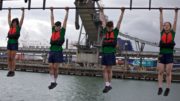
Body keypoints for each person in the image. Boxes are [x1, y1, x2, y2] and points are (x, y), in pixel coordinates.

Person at [99, 7, 125, 93]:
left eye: (110, 28)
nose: (109, 29)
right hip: (104, 53)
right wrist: (102, 11)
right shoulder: (105, 31)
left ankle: (109, 84)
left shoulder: (115, 32)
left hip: (111, 53)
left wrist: (122, 12)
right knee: (104, 69)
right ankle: (107, 85)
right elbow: (103, 21)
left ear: (112, 27)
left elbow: (119, 22)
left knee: (109, 70)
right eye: (108, 27)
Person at [157, 8, 178, 96]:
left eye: (167, 25)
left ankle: (168, 88)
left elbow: (175, 22)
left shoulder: (172, 33)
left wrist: (176, 12)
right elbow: (161, 21)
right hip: (161, 54)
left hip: (169, 54)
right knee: (160, 72)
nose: (165, 26)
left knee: (168, 72)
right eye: (164, 25)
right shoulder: (162, 32)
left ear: (170, 27)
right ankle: (160, 87)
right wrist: (161, 12)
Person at [48, 7, 69, 89]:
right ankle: (52, 82)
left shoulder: (62, 31)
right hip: (52, 51)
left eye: (58, 26)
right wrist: (52, 11)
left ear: (60, 27)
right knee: (50, 66)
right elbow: (52, 20)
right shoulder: (53, 30)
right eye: (56, 26)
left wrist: (67, 12)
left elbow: (65, 21)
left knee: (55, 67)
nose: (56, 27)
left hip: (58, 52)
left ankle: (55, 81)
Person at [6, 8, 24, 77]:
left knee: (12, 58)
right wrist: (9, 11)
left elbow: (22, 20)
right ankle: (9, 70)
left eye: (15, 23)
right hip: (9, 43)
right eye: (13, 23)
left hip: (14, 43)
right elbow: (9, 18)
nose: (13, 24)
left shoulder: (18, 28)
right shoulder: (10, 27)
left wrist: (23, 12)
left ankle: (13, 71)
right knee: (9, 58)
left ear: (17, 23)